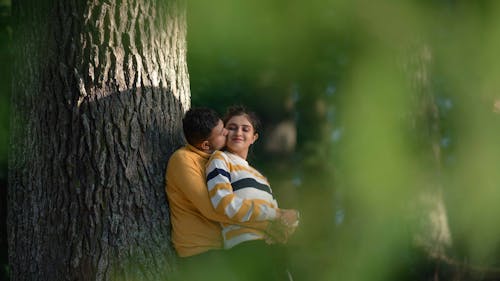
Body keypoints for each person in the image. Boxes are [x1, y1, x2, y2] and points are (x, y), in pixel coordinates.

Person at [165, 107, 297, 279]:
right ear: (205, 144)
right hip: (201, 251)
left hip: (223, 247)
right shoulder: (184, 160)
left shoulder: (218, 159)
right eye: (223, 131)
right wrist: (267, 226)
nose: (227, 132)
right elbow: (212, 210)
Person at [205, 105, 299, 281]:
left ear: (254, 138)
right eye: (232, 127)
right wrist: (276, 214)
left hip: (273, 251)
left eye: (245, 129)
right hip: (246, 249)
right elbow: (224, 204)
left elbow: (278, 216)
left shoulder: (260, 177)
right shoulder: (220, 160)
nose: (238, 132)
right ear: (224, 133)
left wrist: (290, 221)